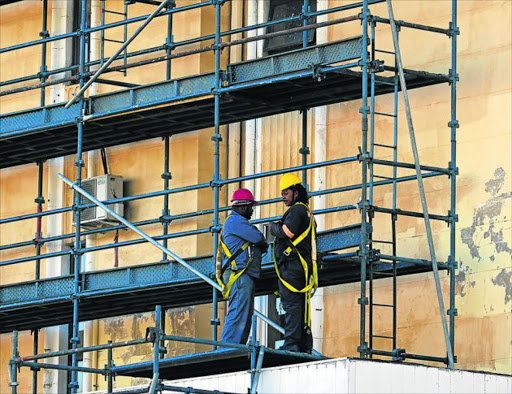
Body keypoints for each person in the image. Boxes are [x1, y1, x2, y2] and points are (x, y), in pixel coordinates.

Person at [270, 173, 317, 353]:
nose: (283, 197)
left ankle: (292, 344)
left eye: (286, 193)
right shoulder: (306, 211)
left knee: (291, 305)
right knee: (300, 305)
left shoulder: (297, 210)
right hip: (300, 266)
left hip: (293, 267)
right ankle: (303, 344)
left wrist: (273, 228)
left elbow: (288, 232)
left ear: (296, 193)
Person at [218, 188, 268, 346]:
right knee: (237, 317)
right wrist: (260, 243)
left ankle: (235, 349)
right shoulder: (235, 221)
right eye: (251, 207)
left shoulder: (236, 222)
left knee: (243, 317)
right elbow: (258, 237)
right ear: (243, 207)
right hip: (240, 276)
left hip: (242, 276)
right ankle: (227, 352)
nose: (252, 211)